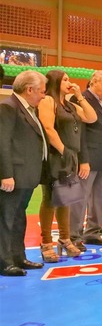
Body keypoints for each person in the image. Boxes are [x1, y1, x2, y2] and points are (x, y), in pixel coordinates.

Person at [38, 70, 98, 261]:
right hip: (55, 156)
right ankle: (46, 243)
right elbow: (48, 128)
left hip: (70, 157)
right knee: (50, 199)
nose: (69, 82)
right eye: (65, 79)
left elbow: (91, 117)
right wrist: (64, 150)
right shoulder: (48, 101)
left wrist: (80, 96)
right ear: (55, 82)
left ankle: (65, 239)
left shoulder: (71, 106)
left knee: (66, 198)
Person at [0, 70, 47, 276]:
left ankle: (18, 256)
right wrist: (5, 173)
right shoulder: (8, 107)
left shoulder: (28, 109)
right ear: (30, 90)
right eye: (42, 91)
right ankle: (4, 261)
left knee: (19, 217)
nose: (44, 95)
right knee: (6, 219)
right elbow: (3, 142)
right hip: (13, 176)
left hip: (26, 176)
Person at [69, 70, 102, 250]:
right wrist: (83, 160)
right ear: (93, 82)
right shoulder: (80, 100)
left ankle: (93, 232)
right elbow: (79, 133)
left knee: (99, 198)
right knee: (80, 198)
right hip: (87, 160)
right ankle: (74, 235)